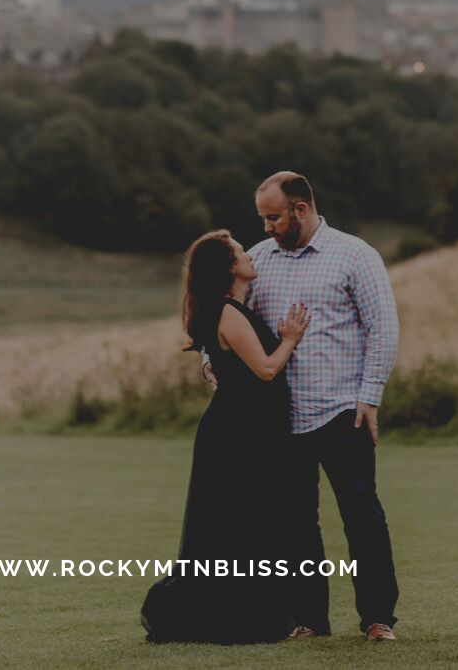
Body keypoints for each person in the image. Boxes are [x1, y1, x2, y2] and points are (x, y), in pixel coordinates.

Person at [204, 172, 400, 641]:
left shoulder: (355, 255)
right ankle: (308, 619)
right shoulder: (258, 261)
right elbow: (229, 316)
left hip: (340, 412)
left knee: (362, 517)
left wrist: (370, 396)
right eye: (263, 218)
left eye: (273, 217)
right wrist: (211, 361)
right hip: (278, 420)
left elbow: (383, 328)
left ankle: (377, 618)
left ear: (300, 210)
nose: (267, 227)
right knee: (294, 525)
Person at [140, 229, 310, 645]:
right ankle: (240, 617)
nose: (248, 253)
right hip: (240, 431)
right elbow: (266, 370)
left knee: (238, 522)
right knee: (241, 521)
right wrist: (289, 339)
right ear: (229, 267)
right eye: (238, 251)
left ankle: (243, 612)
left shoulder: (227, 309)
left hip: (244, 428)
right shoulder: (229, 312)